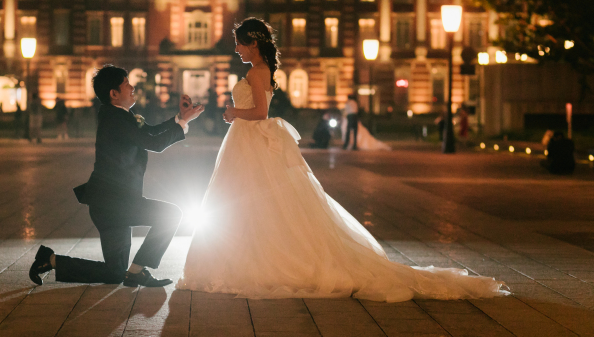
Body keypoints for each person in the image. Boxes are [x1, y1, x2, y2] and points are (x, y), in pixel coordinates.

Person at [177, 17, 508, 301]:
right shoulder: (259, 70)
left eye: (239, 44)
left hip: (251, 139)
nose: (236, 50)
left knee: (250, 201)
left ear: (252, 43)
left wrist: (234, 112)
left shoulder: (257, 72)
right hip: (247, 142)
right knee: (249, 201)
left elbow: (261, 113)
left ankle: (250, 260)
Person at [28, 65, 204, 288]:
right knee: (171, 215)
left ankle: (50, 260)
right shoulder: (115, 119)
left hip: (109, 204)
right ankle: (138, 271)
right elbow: (154, 143)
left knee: (114, 273)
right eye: (126, 83)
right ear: (114, 93)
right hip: (115, 203)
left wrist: (181, 118)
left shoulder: (120, 115)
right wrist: (182, 124)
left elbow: (148, 132)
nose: (132, 87)